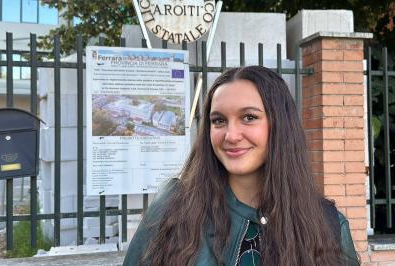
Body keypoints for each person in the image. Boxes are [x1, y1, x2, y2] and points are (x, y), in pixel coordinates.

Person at [123, 66, 359, 266]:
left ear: (280, 125)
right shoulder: (174, 207)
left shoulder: (327, 224)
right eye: (219, 121)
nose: (231, 135)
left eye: (249, 117)